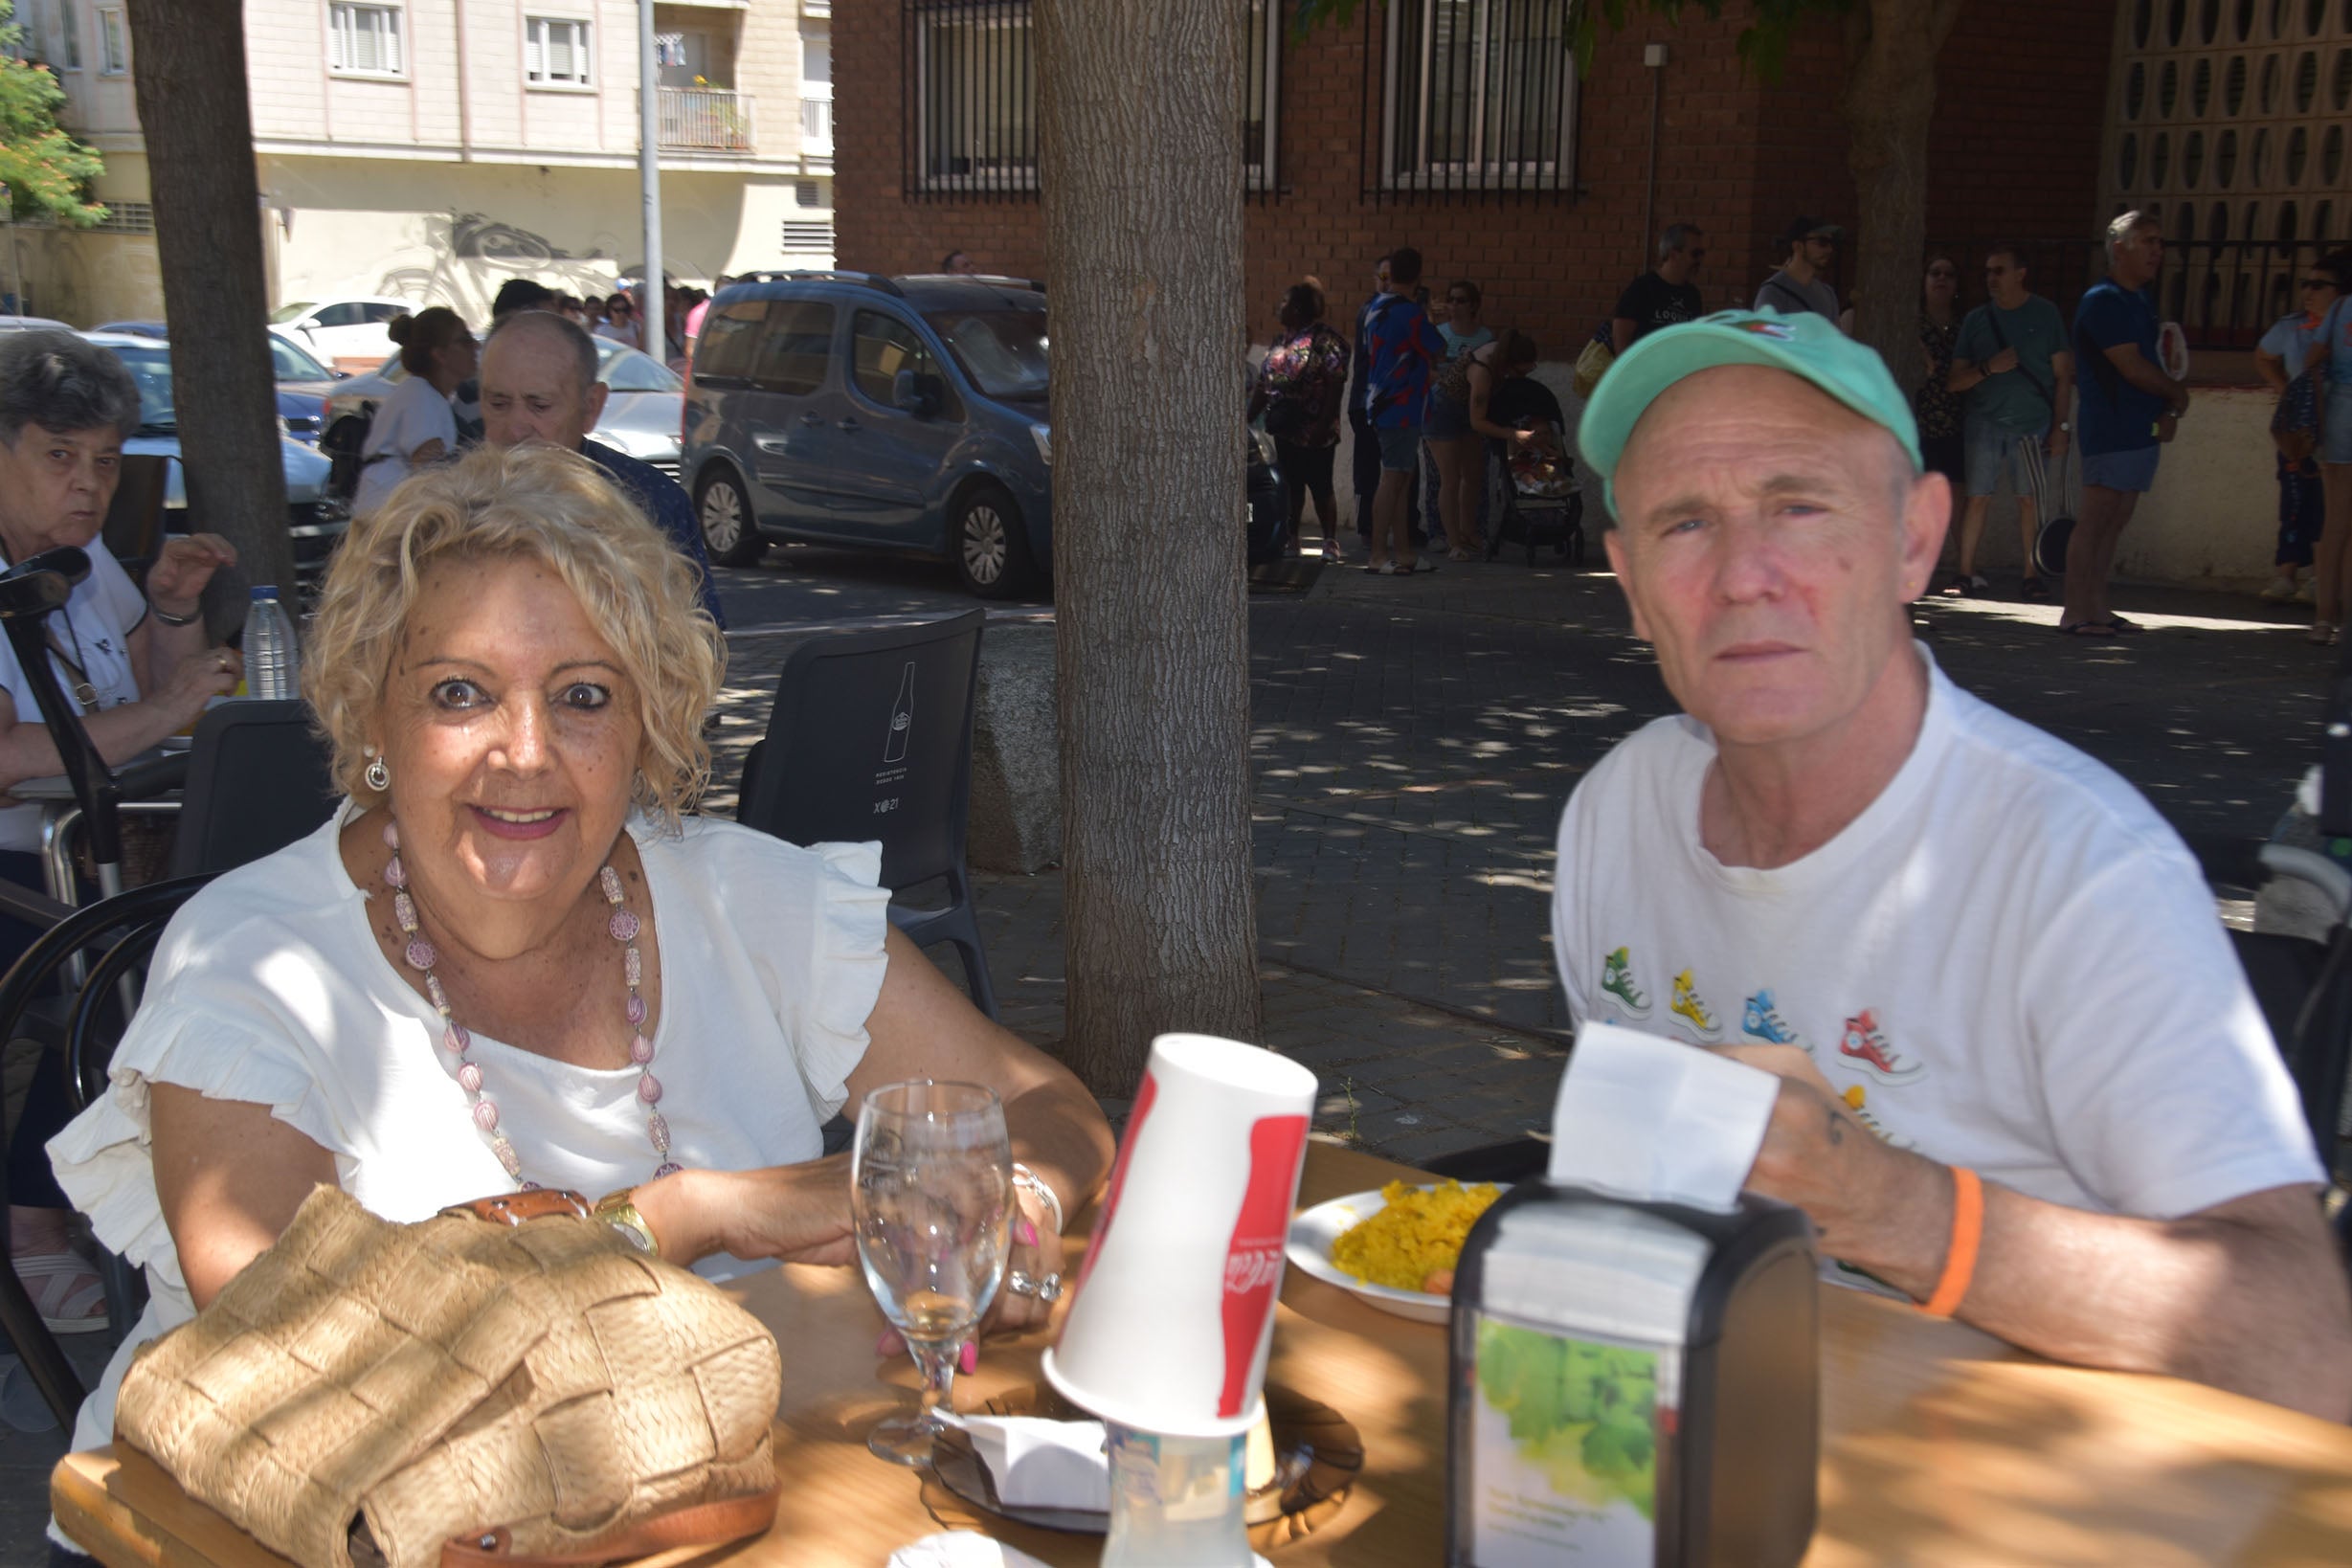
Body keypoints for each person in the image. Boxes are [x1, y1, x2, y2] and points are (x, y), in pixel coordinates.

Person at [44, 441, 1116, 1469]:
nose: (527, 752)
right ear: (374, 714)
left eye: (584, 696)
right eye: (459, 693)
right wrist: (696, 1214)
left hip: (667, 1485)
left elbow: (1045, 1104)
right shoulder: (256, 963)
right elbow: (291, 1340)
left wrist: (1006, 1203)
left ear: (649, 724)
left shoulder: (742, 895)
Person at [1562, 306, 2351, 1417]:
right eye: (1684, 524)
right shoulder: (1615, 815)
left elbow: (2312, 1346)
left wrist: (1892, 1208)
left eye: (1799, 505)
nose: (1745, 574)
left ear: (1917, 540)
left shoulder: (2079, 867)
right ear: (1633, 583)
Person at [0, 331, 241, 1336]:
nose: (89, 485)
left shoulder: (83, 559)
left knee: (214, 938)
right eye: (60, 457)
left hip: (94, 841)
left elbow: (141, 685)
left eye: (105, 460)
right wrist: (166, 706)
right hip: (20, 860)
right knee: (114, 973)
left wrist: (175, 612)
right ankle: (32, 1227)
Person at [479, 309, 725, 629]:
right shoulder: (440, 501)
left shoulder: (652, 502)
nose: (515, 428)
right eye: (498, 404)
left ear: (591, 406)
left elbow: (701, 643)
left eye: (539, 406)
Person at [2068, 211, 2187, 638]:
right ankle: (2074, 611)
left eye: (2160, 242)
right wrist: (2176, 394)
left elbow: (2153, 362)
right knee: (2096, 516)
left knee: (2118, 518)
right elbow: (2132, 367)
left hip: (2140, 427)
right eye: (2147, 241)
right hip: (2109, 427)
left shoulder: (2140, 300)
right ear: (2120, 248)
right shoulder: (2103, 300)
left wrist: (2166, 412)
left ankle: (2098, 607)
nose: (2157, 250)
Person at [1945, 244, 2073, 601]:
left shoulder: (2046, 314)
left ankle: (2032, 574)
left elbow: (2064, 374)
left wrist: (2060, 426)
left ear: (2021, 273)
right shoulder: (1977, 320)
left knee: (2029, 499)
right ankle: (1965, 572)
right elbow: (1954, 381)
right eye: (1987, 272)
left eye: (1999, 271)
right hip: (1984, 420)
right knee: (1977, 498)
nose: (1991, 279)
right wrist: (1989, 368)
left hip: (2033, 422)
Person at [2252, 258, 2340, 606]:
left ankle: (2321, 576)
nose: (2309, 292)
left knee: (2326, 503)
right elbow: (2263, 357)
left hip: (2335, 425)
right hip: (2299, 429)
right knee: (2293, 496)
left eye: (2319, 285)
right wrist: (2285, 390)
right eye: (2306, 284)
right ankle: (2286, 573)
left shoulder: (2342, 328)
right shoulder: (2291, 327)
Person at [1247, 281, 1351, 562]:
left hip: (1316, 429)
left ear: (1296, 308)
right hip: (1286, 428)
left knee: (1320, 485)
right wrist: (1244, 419)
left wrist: (1322, 424)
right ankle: (1291, 537)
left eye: (1283, 303)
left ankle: (1329, 541)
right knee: (1290, 484)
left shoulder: (1326, 340)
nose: (1278, 308)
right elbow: (1263, 385)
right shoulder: (1282, 340)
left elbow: (1335, 384)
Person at [1424, 330, 1546, 561]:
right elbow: (1477, 421)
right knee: (1449, 479)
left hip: (1466, 410)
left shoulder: (1500, 356)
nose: (1522, 375)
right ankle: (1454, 542)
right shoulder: (1483, 370)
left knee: (1474, 475)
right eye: (1521, 370)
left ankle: (1468, 533)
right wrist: (1512, 434)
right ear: (1509, 362)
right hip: (1442, 412)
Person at [1361, 246, 1447, 576]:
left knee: (1401, 477)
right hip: (1402, 405)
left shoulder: (1374, 307)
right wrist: (1428, 315)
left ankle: (1404, 551)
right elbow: (1436, 346)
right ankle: (1379, 554)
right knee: (1394, 477)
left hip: (1382, 400)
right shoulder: (1410, 313)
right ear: (1418, 277)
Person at [353, 307, 476, 520]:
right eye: (465, 340)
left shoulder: (424, 393)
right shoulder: (420, 394)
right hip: (388, 509)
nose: (476, 346)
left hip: (388, 506)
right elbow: (427, 463)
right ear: (440, 354)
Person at [2311, 251, 2352, 645]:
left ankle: (2327, 618)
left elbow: (2312, 359)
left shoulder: (2340, 309)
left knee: (2336, 523)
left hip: (2338, 412)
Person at [1913, 257, 1967, 507]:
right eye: (1935, 273)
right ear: (1924, 282)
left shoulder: (1966, 325)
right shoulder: (1911, 324)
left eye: (1949, 274)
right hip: (1918, 423)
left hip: (1956, 424)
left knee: (1955, 502)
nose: (1941, 278)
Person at [1613, 224, 1707, 352]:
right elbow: (1621, 337)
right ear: (1673, 254)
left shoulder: (1693, 295)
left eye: (1702, 254)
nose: (1700, 260)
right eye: (1695, 254)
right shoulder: (1643, 288)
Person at [1755, 218, 1843, 323]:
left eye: (1831, 243)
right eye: (1822, 242)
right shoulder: (1773, 292)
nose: (1829, 249)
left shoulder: (1828, 294)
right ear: (1798, 246)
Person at [1437, 280, 1494, 363]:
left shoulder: (1486, 337)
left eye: (1461, 300)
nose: (1454, 303)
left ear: (1473, 306)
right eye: (1450, 299)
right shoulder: (1438, 332)